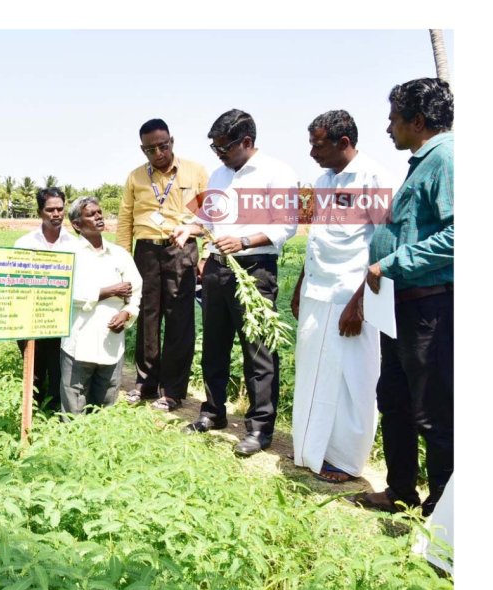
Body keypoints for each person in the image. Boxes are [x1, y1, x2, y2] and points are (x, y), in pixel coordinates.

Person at [354, 78, 454, 516]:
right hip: (402, 306)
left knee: (432, 411)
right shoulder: (421, 162)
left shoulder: (447, 159)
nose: (388, 125)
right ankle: (400, 491)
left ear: (417, 120)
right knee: (393, 398)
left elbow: (458, 235)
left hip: (430, 307)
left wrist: (389, 264)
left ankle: (441, 513)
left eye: (394, 117)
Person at [174, 109, 297, 456]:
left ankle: (259, 429)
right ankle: (213, 413)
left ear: (246, 142)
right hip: (216, 268)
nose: (219, 154)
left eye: (224, 147)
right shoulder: (217, 173)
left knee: (258, 353)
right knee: (214, 345)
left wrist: (244, 241)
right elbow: (207, 219)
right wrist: (191, 228)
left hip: (255, 270)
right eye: (214, 148)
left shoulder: (278, 173)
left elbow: (286, 227)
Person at [290, 110, 395, 483]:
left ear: (343, 143)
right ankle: (309, 449)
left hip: (352, 297)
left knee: (352, 379)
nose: (312, 152)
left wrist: (360, 303)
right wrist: (301, 283)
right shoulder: (322, 180)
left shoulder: (374, 178)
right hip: (318, 290)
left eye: (318, 144)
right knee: (312, 371)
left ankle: (346, 461)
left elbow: (384, 245)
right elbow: (317, 238)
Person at [116, 118, 209, 412]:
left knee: (179, 321)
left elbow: (208, 217)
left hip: (181, 249)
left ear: (172, 141)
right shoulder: (135, 178)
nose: (158, 153)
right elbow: (126, 221)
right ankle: (145, 383)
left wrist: (204, 255)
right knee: (147, 317)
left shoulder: (196, 172)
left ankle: (172, 390)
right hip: (145, 252)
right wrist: (122, 261)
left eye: (163, 145)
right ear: (142, 149)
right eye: (150, 149)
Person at [60, 197, 142, 414]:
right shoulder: (69, 254)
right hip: (78, 342)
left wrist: (127, 312)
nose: (98, 217)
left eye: (99, 213)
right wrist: (110, 291)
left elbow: (136, 290)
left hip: (111, 342)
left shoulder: (119, 254)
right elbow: (65, 292)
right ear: (77, 224)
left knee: (106, 405)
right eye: (91, 214)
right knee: (73, 407)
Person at [14, 187, 78, 411]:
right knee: (34, 371)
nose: (56, 214)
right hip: (30, 319)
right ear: (40, 212)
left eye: (60, 209)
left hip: (61, 321)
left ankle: (53, 414)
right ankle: (31, 413)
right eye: (50, 209)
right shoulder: (24, 243)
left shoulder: (74, 245)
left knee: (59, 371)